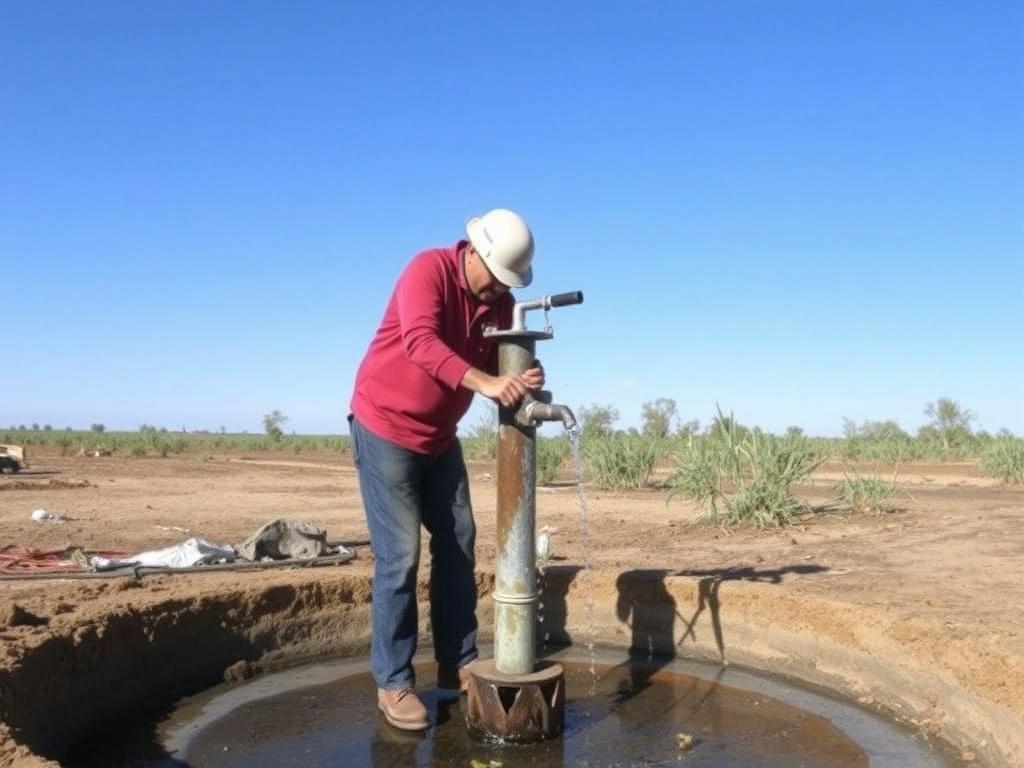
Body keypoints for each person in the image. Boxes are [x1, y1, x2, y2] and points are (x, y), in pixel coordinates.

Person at [349, 208, 544, 731]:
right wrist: (485, 382)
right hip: (386, 428)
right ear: (473, 251)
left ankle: (457, 662)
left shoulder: (497, 300)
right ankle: (393, 682)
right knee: (400, 556)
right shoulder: (427, 269)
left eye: (508, 283)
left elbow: (507, 362)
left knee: (459, 540)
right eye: (495, 277)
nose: (498, 292)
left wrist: (523, 373)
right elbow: (421, 343)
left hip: (439, 437)